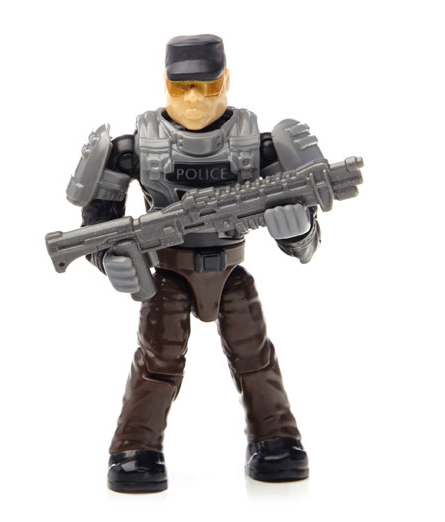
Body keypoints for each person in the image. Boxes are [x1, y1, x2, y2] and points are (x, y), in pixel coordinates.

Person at [68, 34, 326, 493]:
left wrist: (298, 229)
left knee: (253, 355)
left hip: (229, 268)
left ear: (225, 81)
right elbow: (98, 222)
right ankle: (135, 448)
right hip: (168, 272)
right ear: (164, 83)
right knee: (158, 360)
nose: (192, 98)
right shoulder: (132, 148)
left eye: (206, 86)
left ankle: (276, 440)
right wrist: (108, 258)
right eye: (180, 86)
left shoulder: (259, 146)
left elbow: (305, 239)